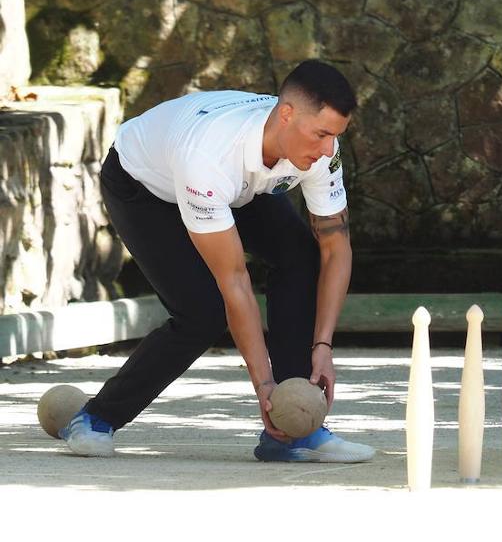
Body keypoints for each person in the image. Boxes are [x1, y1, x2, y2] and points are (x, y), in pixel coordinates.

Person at [58, 61, 375, 463]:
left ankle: (292, 432)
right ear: (287, 114)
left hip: (235, 187)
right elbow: (235, 282)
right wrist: (264, 387)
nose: (329, 149)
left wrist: (323, 344)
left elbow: (336, 248)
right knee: (202, 313)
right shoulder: (209, 155)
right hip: (145, 186)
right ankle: (95, 419)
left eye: (336, 136)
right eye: (322, 134)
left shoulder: (316, 149)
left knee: (300, 255)